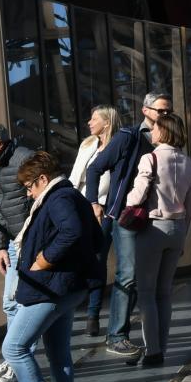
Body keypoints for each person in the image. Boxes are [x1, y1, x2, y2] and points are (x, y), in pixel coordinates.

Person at [2, 151, 106, 382]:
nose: (28, 193)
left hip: (51, 288)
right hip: (67, 286)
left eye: (29, 186)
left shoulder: (58, 197)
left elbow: (71, 231)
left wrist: (43, 260)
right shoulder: (72, 195)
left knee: (13, 348)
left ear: (42, 178)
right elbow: (97, 239)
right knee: (58, 352)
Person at [85, 91, 168, 356]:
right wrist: (93, 202)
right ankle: (116, 334)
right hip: (126, 216)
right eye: (160, 111)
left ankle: (130, 333)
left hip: (154, 216)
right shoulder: (128, 137)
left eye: (168, 111)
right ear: (146, 111)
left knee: (143, 277)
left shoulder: (168, 138)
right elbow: (94, 167)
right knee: (128, 273)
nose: (165, 115)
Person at [124, 111, 191, 366]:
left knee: (146, 292)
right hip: (177, 229)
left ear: (163, 131)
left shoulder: (150, 158)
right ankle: (161, 349)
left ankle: (152, 351)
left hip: (153, 228)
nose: (151, 131)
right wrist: (184, 234)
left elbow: (138, 195)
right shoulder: (187, 162)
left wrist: (127, 200)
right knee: (164, 293)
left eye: (155, 128)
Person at [0, 122, 36, 382]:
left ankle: (19, 361)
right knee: (9, 304)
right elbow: (1, 211)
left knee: (23, 303)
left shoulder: (24, 159)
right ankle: (12, 358)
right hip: (14, 244)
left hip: (31, 243)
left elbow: (41, 201)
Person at [69, 106, 117, 336]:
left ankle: (93, 313)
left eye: (94, 118)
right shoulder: (87, 144)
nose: (89, 122)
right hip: (79, 206)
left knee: (98, 258)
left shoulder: (117, 145)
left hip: (104, 210)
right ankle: (72, 308)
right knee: (75, 256)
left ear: (107, 123)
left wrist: (100, 205)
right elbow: (75, 175)